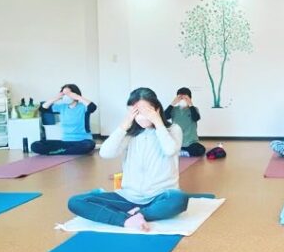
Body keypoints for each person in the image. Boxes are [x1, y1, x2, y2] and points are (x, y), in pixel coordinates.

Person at [67, 87, 200, 232]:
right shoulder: (130, 134)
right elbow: (105, 153)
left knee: (179, 199)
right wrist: (123, 126)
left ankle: (137, 214)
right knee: (76, 202)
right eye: (136, 112)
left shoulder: (172, 129)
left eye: (145, 111)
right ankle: (127, 220)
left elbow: (170, 150)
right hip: (128, 197)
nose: (141, 116)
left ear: (156, 109)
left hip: (159, 197)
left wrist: (158, 122)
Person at [32, 84, 97, 155]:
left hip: (82, 140)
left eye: (68, 94)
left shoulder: (83, 107)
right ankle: (64, 150)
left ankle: (59, 151)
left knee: (88, 145)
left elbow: (93, 107)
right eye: (64, 94)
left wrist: (78, 97)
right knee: (35, 145)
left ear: (75, 94)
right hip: (65, 142)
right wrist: (57, 97)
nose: (66, 96)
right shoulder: (61, 107)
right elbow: (43, 109)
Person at [164, 86, 206, 157]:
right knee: (164, 147)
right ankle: (181, 151)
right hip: (176, 141)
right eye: (180, 98)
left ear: (190, 98)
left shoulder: (194, 109)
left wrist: (190, 104)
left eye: (185, 98)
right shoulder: (173, 109)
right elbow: (165, 117)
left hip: (190, 142)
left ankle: (182, 153)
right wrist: (172, 103)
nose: (183, 100)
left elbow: (196, 118)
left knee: (200, 150)